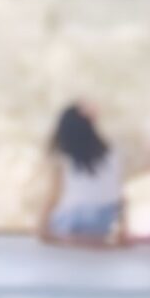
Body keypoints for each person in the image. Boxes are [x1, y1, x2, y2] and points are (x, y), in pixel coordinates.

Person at [37, 105, 127, 246]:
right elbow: (119, 194)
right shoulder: (111, 153)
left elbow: (52, 195)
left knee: (63, 214)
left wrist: (42, 227)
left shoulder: (63, 157)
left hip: (71, 219)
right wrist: (124, 227)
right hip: (103, 220)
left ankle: (68, 236)